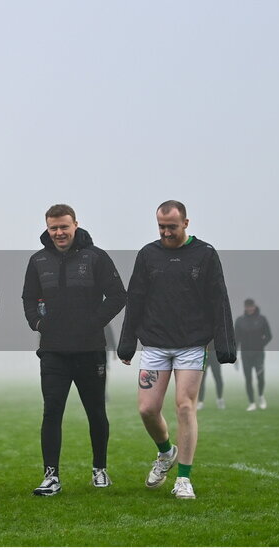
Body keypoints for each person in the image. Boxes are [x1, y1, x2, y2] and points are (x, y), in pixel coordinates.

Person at [117, 200, 236, 500]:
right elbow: (136, 299)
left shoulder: (205, 254)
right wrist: (127, 342)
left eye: (171, 226)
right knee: (147, 409)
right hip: (155, 344)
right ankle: (166, 451)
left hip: (192, 345)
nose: (166, 232)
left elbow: (218, 299)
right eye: (161, 227)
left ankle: (183, 479)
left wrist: (225, 344)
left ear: (186, 223)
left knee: (185, 405)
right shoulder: (148, 255)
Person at [21, 204, 126, 496]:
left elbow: (119, 295)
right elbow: (28, 297)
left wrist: (93, 323)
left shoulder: (96, 257)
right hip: (53, 351)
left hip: (90, 350)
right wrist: (38, 323)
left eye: (64, 226)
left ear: (75, 225)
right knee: (52, 412)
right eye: (53, 227)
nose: (59, 232)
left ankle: (100, 470)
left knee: (96, 411)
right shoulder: (38, 260)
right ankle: (51, 476)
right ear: (47, 227)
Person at [235, 298, 272, 411]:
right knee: (248, 379)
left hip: (258, 354)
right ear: (245, 307)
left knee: (260, 377)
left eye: (251, 306)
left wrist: (260, 345)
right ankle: (251, 402)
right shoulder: (240, 321)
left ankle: (261, 396)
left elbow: (269, 336)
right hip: (245, 355)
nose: (250, 308)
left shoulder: (262, 319)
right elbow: (236, 339)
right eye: (247, 306)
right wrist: (234, 355)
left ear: (254, 306)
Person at [197, 340, 225, 410]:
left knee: (218, 377)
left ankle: (220, 399)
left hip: (214, 353)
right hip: (203, 353)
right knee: (201, 379)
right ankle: (200, 402)